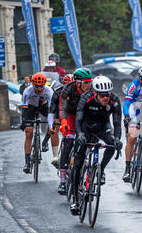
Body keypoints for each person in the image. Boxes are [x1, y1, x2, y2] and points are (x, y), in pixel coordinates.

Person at [70, 76, 122, 215]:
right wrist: (79, 134)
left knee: (112, 144)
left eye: (108, 94)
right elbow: (79, 119)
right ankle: (75, 199)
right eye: (103, 95)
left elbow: (117, 123)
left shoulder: (115, 100)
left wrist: (117, 139)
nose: (106, 98)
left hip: (103, 126)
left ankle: (101, 170)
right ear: (95, 93)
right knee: (78, 163)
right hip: (86, 127)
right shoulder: (86, 98)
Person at [57, 68, 93, 195]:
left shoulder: (93, 90)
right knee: (69, 141)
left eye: (90, 82)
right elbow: (63, 108)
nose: (89, 85)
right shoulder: (68, 89)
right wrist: (64, 122)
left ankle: (86, 170)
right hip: (71, 116)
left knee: (89, 143)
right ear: (78, 83)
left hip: (85, 117)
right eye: (86, 83)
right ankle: (62, 180)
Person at [20, 73, 53, 174]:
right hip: (30, 107)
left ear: (44, 85)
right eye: (36, 86)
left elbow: (51, 111)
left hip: (43, 106)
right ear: (33, 85)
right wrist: (24, 122)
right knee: (29, 133)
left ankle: (45, 141)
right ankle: (27, 163)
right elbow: (24, 109)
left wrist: (51, 124)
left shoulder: (49, 92)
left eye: (41, 86)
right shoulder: (27, 91)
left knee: (53, 122)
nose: (39, 89)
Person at [42, 74, 74, 169]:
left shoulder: (78, 92)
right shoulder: (57, 93)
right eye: (66, 86)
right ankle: (56, 156)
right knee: (55, 126)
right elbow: (51, 112)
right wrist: (51, 126)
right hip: (58, 112)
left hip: (72, 113)